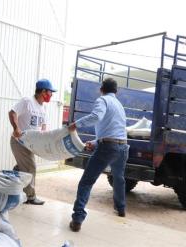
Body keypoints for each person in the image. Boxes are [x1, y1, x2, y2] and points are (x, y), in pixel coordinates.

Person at [68, 78, 129, 232]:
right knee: (119, 178)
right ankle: (121, 209)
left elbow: (96, 117)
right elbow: (116, 130)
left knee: (86, 182)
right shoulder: (119, 105)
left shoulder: (102, 100)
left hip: (108, 147)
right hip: (122, 148)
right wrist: (95, 142)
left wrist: (76, 124)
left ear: (101, 89)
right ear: (117, 91)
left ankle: (77, 219)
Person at [9, 79, 57, 205]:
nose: (51, 95)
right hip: (20, 141)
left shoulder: (43, 108)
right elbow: (12, 112)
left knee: (22, 168)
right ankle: (30, 197)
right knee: (31, 167)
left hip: (32, 144)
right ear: (43, 91)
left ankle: (12, 180)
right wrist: (16, 128)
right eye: (50, 92)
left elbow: (43, 127)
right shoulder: (27, 101)